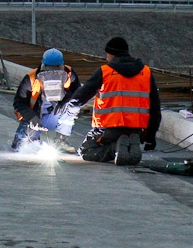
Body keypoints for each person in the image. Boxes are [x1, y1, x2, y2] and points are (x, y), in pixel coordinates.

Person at [60, 37, 162, 166]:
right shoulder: (146, 72)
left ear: (112, 54)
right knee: (124, 138)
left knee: (86, 151)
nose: (107, 58)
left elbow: (81, 96)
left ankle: (115, 148)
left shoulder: (105, 71)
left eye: (107, 55)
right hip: (136, 130)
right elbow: (155, 107)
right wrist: (150, 137)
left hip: (108, 129)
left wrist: (68, 111)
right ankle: (128, 145)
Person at [11, 48, 80, 151]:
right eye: (49, 71)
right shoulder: (31, 79)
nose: (53, 74)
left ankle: (61, 140)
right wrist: (32, 117)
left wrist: (65, 102)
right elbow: (19, 102)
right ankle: (33, 139)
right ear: (43, 67)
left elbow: (78, 95)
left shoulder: (69, 75)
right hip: (36, 117)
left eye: (56, 71)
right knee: (20, 147)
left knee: (72, 107)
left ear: (62, 67)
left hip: (57, 114)